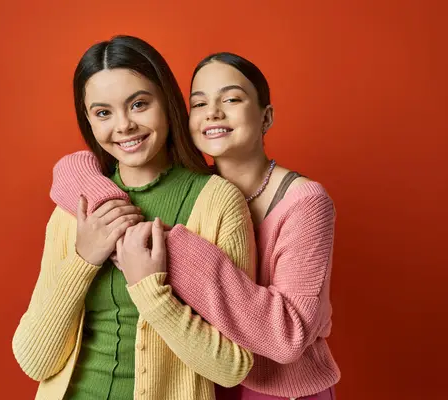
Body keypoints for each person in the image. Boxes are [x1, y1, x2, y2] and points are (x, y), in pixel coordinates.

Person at [51, 52, 340, 399]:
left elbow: (288, 336)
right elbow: (74, 169)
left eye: (231, 99)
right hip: (205, 385)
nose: (213, 112)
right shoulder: (200, 190)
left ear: (266, 117)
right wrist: (105, 210)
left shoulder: (305, 202)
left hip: (281, 391)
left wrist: (161, 248)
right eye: (200, 103)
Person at [12, 36, 257, 400]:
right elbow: (35, 361)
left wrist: (152, 292)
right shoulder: (76, 205)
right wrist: (83, 260)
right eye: (103, 113)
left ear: (167, 102)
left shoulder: (217, 202)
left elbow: (232, 368)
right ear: (89, 120)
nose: (124, 125)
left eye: (139, 104)